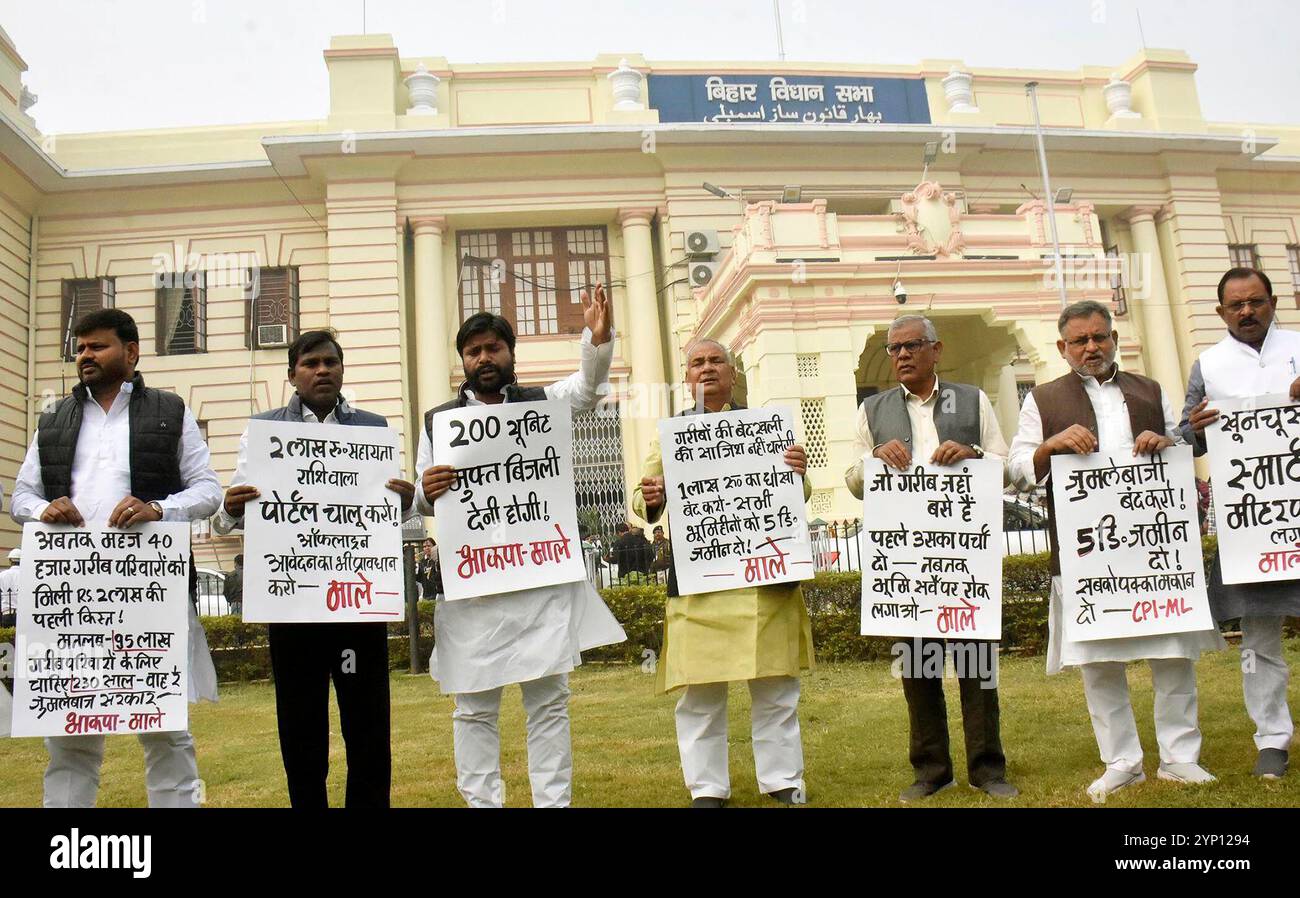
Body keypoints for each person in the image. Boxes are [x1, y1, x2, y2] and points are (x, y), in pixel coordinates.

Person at [417, 285, 626, 808]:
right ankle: (482, 803)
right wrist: (427, 489)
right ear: (462, 360)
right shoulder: (438, 422)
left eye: (494, 348)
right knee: (473, 708)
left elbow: (587, 388)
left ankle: (552, 803)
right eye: (474, 351)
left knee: (549, 703)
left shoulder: (542, 405)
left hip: (539, 580)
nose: (484, 358)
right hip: (474, 584)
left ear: (511, 353)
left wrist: (596, 339)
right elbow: (422, 497)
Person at [1009, 300, 1224, 802]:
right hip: (1088, 556)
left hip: (1155, 551)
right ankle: (1122, 761)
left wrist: (1165, 439)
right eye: (1080, 340)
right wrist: (1050, 445)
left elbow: (1182, 446)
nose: (1092, 347)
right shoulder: (1041, 400)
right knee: (1099, 663)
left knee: (1172, 655)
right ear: (1062, 349)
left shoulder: (1148, 389)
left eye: (1100, 337)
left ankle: (1180, 758)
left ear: (1114, 340)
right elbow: (1018, 467)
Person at [9, 308, 222, 808]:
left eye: (97, 346)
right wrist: (46, 508)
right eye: (80, 348)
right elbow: (21, 498)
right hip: (73, 603)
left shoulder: (170, 410)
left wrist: (159, 508)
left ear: (131, 353)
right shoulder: (53, 418)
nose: (84, 356)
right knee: (68, 735)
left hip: (150, 596)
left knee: (166, 731)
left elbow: (208, 491)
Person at [213, 329, 416, 808]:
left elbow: (398, 518)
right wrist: (232, 507)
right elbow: (225, 520)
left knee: (367, 728)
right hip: (293, 610)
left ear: (342, 370)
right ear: (292, 375)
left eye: (331, 362)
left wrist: (406, 504)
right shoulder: (263, 432)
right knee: (301, 730)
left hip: (356, 607)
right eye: (310, 363)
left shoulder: (373, 429)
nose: (322, 370)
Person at [633, 337, 813, 807]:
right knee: (699, 694)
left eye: (717, 361)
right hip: (699, 583)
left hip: (764, 578)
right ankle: (707, 790)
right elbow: (640, 496)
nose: (707, 369)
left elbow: (800, 492)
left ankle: (783, 782)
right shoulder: (669, 433)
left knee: (775, 685)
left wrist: (799, 471)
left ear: (733, 375)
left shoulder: (766, 427)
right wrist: (652, 497)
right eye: (698, 363)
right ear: (687, 377)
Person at [844, 314, 1017, 802]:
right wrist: (875, 456)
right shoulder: (872, 409)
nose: (900, 354)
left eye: (911, 346)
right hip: (905, 565)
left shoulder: (973, 400)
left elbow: (1004, 468)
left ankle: (988, 769)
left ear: (935, 350)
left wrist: (974, 454)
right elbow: (853, 481)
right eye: (893, 347)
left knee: (976, 667)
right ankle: (930, 770)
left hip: (962, 561)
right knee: (918, 669)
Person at [1180, 267, 1300, 779]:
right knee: (1258, 638)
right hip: (1250, 525)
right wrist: (1196, 428)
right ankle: (1272, 737)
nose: (1247, 312)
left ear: (1273, 302)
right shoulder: (1208, 364)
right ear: (1220, 311)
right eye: (1236, 305)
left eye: (1256, 302)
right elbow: (1185, 434)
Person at [0, 547, 18, 628]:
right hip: (22, 615)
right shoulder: (27, 575)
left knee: (7, 640)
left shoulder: (2, 575)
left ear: (10, 560)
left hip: (6, 614)